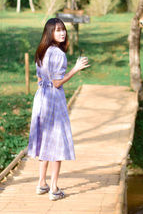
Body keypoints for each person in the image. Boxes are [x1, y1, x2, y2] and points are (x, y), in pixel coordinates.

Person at [28, 18, 89, 201]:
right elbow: (56, 83)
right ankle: (54, 189)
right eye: (57, 30)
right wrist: (76, 69)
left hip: (41, 98)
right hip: (53, 99)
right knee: (56, 143)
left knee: (45, 140)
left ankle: (41, 183)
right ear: (50, 33)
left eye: (63, 29)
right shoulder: (58, 54)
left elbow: (40, 80)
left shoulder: (41, 51)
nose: (62, 33)